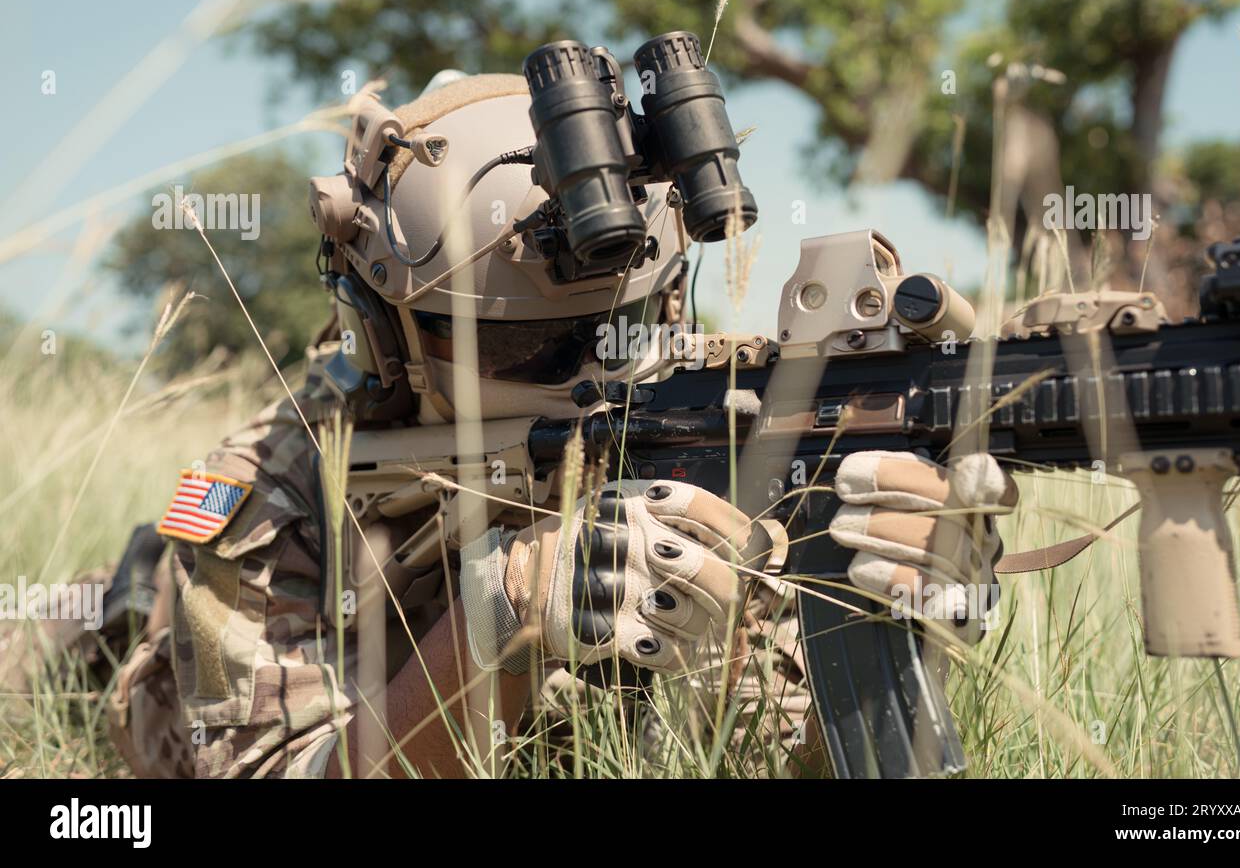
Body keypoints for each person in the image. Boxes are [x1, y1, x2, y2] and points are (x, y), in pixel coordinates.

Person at [97, 71, 1017, 778]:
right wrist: (504, 615)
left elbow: (768, 747)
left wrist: (886, 616)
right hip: (189, 683)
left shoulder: (741, 415)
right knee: (91, 636)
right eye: (523, 351)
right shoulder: (277, 482)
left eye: (624, 330)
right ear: (387, 332)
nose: (588, 378)